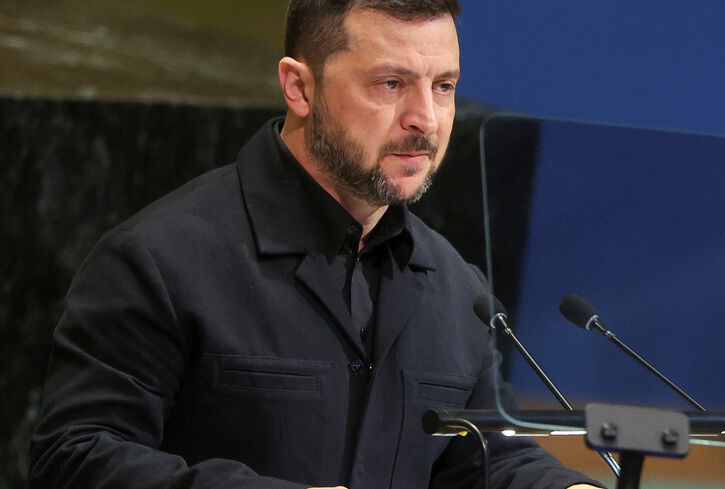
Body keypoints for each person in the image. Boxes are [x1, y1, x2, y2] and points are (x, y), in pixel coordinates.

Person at [29, 1, 603, 488]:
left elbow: (484, 458)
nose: (426, 119)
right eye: (391, 84)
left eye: (444, 86)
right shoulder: (156, 259)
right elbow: (74, 455)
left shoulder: (457, 288)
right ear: (298, 87)